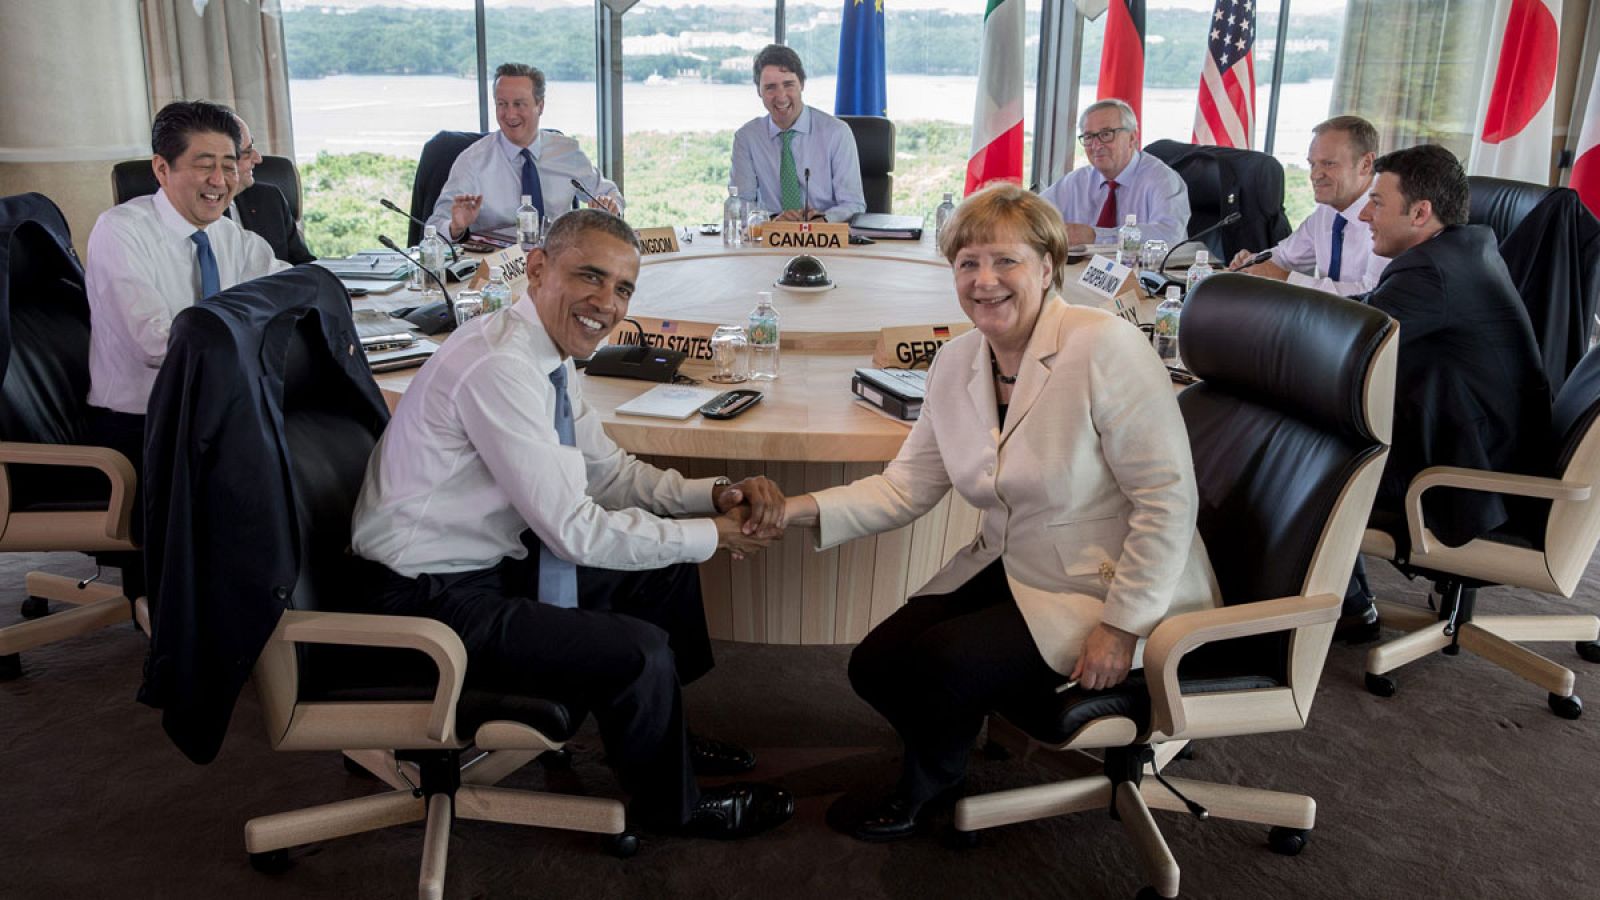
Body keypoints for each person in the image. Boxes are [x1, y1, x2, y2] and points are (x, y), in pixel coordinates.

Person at [778, 183, 1219, 841]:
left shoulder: (1105, 347)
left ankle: (927, 788)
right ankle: (950, 740)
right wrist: (791, 511)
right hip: (1017, 562)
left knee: (948, 664)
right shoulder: (957, 361)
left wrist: (1122, 626)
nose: (984, 281)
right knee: (875, 664)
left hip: (1111, 582)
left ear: (1047, 267)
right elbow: (905, 488)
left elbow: (1167, 501)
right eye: (967, 263)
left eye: (1004, 261)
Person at [350, 209, 794, 839]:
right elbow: (574, 532)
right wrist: (713, 539)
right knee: (636, 650)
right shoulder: (502, 367)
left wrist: (712, 497)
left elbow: (606, 473)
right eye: (589, 277)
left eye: (622, 289)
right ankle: (677, 807)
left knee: (663, 576)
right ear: (537, 269)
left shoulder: (548, 356)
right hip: (425, 599)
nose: (606, 303)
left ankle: (666, 737)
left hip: (482, 568)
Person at [1337, 144, 1552, 639]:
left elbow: (1347, 344)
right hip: (1491, 449)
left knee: (1310, 454)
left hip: (1468, 479)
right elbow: (1368, 311)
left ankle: (1345, 608)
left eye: (1377, 202)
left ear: (1420, 212)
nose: (1365, 214)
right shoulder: (1463, 249)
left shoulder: (1429, 271)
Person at [85, 99, 288, 487]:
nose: (220, 180)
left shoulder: (230, 236)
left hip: (217, 412)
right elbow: (157, 345)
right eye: (204, 165)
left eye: (229, 166)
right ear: (162, 168)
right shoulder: (120, 231)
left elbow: (292, 289)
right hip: (143, 426)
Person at [426, 63, 622, 241]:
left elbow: (608, 192)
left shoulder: (567, 151)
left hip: (557, 261)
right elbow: (435, 226)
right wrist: (456, 227)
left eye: (519, 104)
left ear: (540, 106)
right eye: (502, 104)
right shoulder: (472, 161)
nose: (510, 114)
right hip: (500, 268)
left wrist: (610, 205)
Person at [1229, 115, 1388, 296]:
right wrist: (1251, 264)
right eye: (1312, 164)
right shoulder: (1327, 211)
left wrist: (1285, 278)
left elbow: (1371, 293)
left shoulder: (1388, 217)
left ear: (1366, 164)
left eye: (1329, 164)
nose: (1315, 175)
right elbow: (1286, 256)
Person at [730, 44, 866, 223]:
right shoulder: (746, 138)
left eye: (788, 85)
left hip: (825, 239)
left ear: (801, 84)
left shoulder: (837, 133)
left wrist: (823, 219)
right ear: (758, 91)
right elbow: (740, 203)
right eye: (770, 87)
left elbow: (853, 204)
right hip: (771, 239)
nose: (781, 96)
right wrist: (771, 220)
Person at [1038, 98, 1189, 247]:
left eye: (1106, 134)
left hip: (1141, 270)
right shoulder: (1077, 181)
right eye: (1089, 137)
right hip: (1083, 270)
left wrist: (1095, 236)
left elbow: (1169, 236)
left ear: (1132, 137)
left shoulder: (1162, 180)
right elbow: (1033, 214)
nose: (1096, 145)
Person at [227, 113, 315, 264]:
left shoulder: (270, 198)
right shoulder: (202, 211)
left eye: (252, 147)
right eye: (247, 152)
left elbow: (304, 265)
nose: (258, 158)